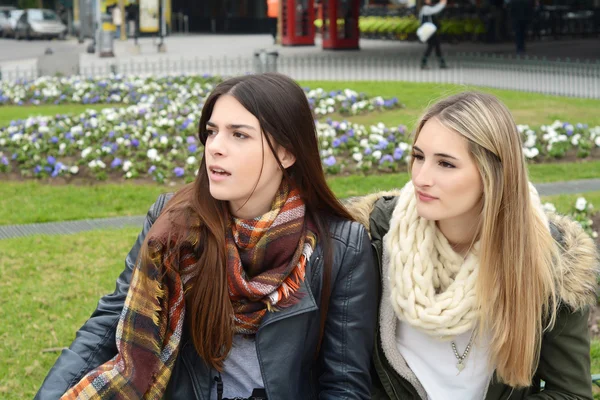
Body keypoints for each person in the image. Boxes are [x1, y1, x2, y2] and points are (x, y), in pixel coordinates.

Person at [34, 73, 378, 400]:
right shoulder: (173, 223)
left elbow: (344, 383)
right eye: (212, 132)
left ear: (286, 153)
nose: (214, 147)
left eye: (238, 135)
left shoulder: (340, 247)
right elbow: (111, 322)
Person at [346, 91, 598, 399]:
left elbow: (570, 394)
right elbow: (342, 377)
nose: (421, 178)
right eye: (418, 157)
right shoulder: (374, 238)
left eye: (446, 164)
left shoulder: (550, 257)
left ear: (493, 175)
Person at [419, 0, 448, 69]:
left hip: (432, 31)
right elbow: (435, 10)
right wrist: (442, 4)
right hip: (429, 31)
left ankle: (442, 63)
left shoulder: (426, 8)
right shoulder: (425, 8)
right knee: (431, 46)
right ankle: (424, 63)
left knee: (436, 46)